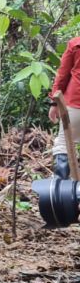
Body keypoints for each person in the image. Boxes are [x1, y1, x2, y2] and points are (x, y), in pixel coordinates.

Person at [48, 36, 80, 178]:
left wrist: (54, 103)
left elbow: (62, 75)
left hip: (76, 100)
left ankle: (62, 192)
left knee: (64, 143)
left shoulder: (75, 44)